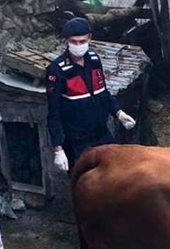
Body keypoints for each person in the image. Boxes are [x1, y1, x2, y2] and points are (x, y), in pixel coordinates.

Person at [46, 17, 137, 172]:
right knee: (86, 186)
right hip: (77, 142)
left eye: (82, 41)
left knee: (116, 175)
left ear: (89, 38)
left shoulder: (94, 60)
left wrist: (118, 112)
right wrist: (58, 149)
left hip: (102, 134)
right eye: (74, 42)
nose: (78, 45)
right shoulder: (57, 70)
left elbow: (103, 93)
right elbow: (53, 113)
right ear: (67, 41)